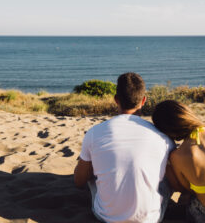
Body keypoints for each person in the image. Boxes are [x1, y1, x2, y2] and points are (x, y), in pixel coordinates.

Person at [74, 72, 174, 223]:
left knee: (91, 177)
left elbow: (79, 181)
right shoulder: (163, 136)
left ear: (116, 100)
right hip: (151, 219)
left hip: (106, 217)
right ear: (144, 100)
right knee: (167, 176)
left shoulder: (94, 132)